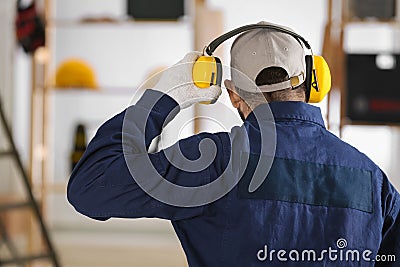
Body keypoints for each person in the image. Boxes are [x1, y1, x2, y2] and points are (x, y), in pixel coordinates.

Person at [67, 21, 399, 266]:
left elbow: (90, 185)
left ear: (232, 94)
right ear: (314, 82)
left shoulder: (212, 163)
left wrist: (163, 97)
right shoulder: (372, 179)